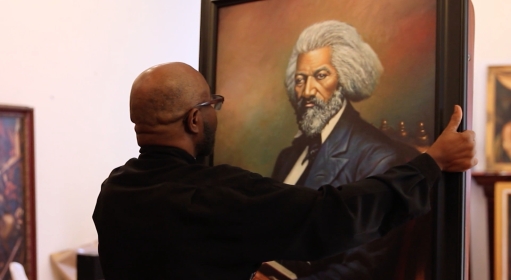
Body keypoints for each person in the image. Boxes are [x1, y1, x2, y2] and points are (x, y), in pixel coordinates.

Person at [92, 62, 476, 280]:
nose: (306, 90)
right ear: (195, 119)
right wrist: (432, 163)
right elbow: (335, 216)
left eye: (321, 75)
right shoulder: (218, 195)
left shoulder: (113, 192)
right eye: (213, 104)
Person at [271, 20, 420, 279]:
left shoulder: (380, 160)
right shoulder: (288, 157)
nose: (307, 91)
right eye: (300, 80)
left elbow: (363, 269)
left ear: (345, 78)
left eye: (320, 76)